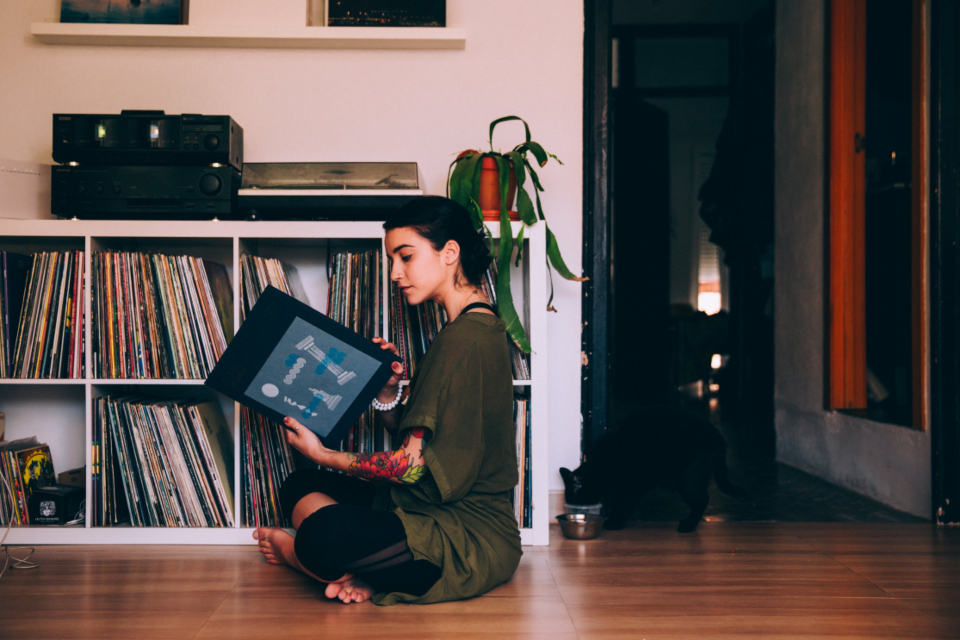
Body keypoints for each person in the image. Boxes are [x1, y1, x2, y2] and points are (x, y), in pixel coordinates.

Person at [253, 195, 522, 605]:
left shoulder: (465, 341)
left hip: (464, 539)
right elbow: (426, 444)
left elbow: (409, 467)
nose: (396, 273)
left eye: (406, 257)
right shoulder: (467, 327)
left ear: (450, 253)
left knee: (321, 534)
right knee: (301, 484)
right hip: (419, 509)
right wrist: (386, 392)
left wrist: (323, 453)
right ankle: (368, 569)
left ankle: (297, 555)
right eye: (392, 260)